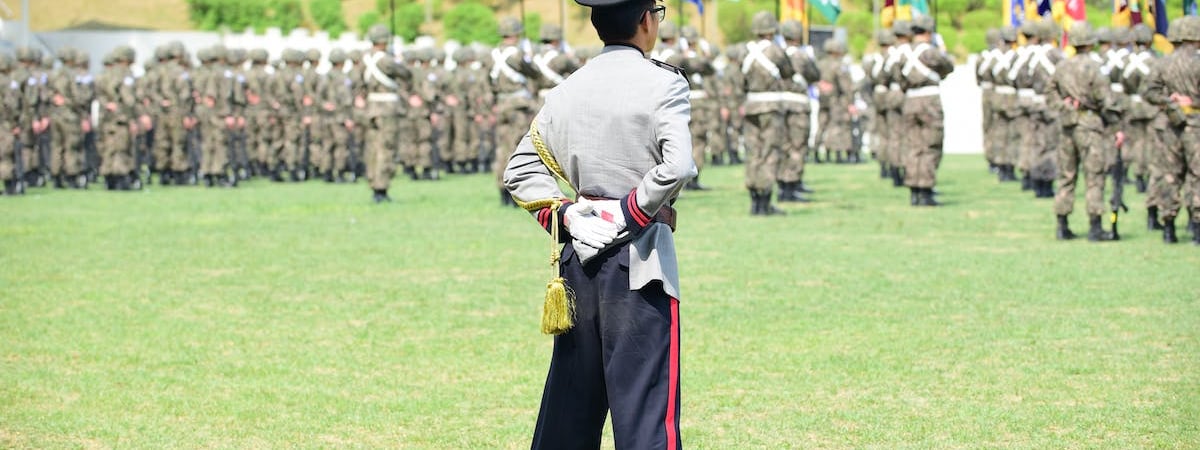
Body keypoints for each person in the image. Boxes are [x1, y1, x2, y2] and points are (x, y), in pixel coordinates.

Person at [503, 0, 694, 446]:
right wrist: (630, 212)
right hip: (640, 255)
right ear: (646, 21)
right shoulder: (664, 83)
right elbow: (679, 165)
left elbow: (519, 169)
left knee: (570, 409)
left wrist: (565, 215)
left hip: (577, 260)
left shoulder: (569, 87)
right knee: (646, 409)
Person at [1047, 22, 1122, 241]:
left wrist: (1064, 106)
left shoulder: (1062, 67)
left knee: (1066, 176)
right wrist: (1116, 127)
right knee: (1094, 177)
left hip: (1067, 126)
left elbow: (1049, 93)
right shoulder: (1095, 68)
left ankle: (1062, 225)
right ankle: (1095, 227)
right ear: (1090, 43)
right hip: (1090, 126)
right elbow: (1106, 101)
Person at [900, 15, 954, 206]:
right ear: (929, 32)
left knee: (913, 146)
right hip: (929, 100)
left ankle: (914, 190)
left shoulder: (902, 53)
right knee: (930, 146)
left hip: (909, 100)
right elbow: (948, 67)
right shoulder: (931, 52)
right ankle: (926, 189)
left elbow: (896, 76)